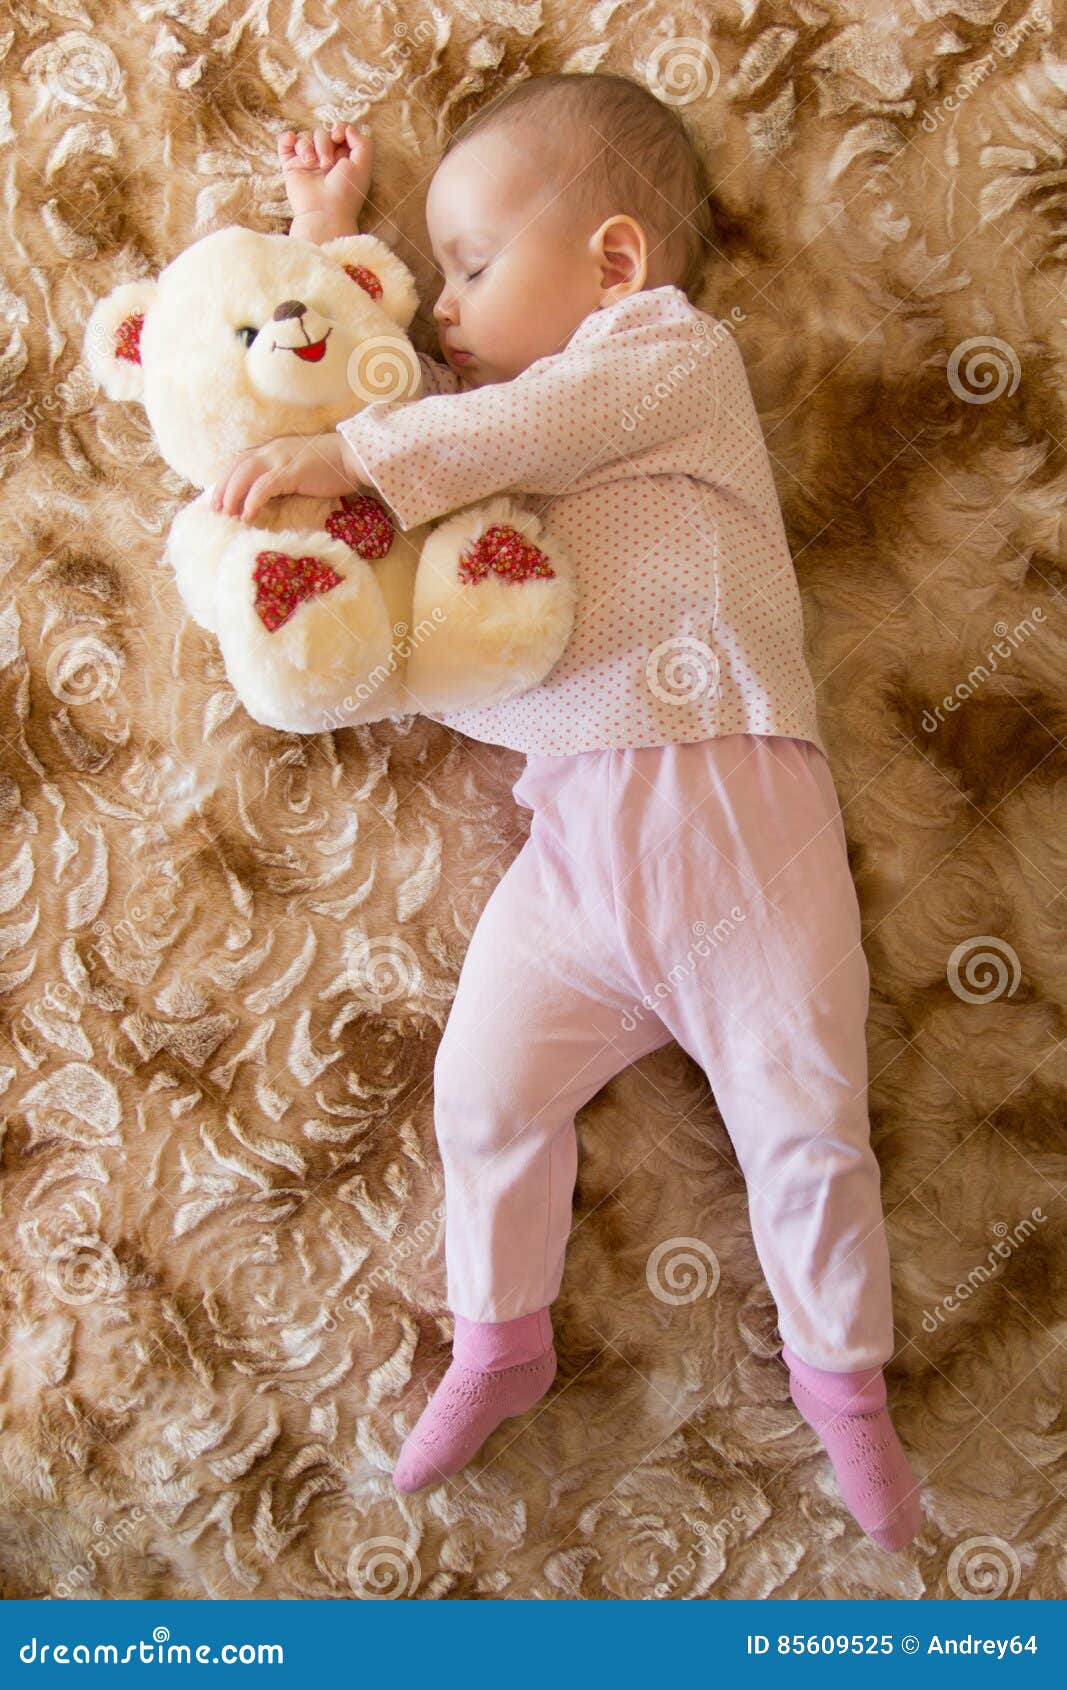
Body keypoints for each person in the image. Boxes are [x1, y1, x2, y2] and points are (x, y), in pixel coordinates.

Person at [212, 73, 922, 1552]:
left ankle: (845, 1387)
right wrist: (320, 229)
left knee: (809, 1131)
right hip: (575, 855)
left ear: (613, 260)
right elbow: (349, 382)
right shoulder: (493, 435)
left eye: (468, 267)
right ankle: (501, 1334)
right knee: (484, 1094)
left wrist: (358, 460)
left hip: (746, 831)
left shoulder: (666, 361)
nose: (445, 313)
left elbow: (489, 428)